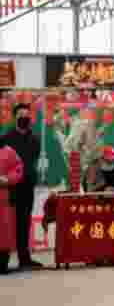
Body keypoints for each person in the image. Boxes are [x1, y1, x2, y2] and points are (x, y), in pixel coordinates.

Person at [0, 103, 42, 270]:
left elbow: (34, 159)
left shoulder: (35, 138)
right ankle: (4, 260)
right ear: (15, 117)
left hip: (27, 186)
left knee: (24, 222)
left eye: (26, 115)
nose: (24, 118)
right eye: (20, 115)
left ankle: (24, 258)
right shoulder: (6, 138)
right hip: (9, 188)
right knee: (7, 223)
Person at [0, 145, 24, 275]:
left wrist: (7, 179)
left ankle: (2, 264)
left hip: (3, 198)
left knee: (4, 233)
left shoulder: (9, 152)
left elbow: (18, 169)